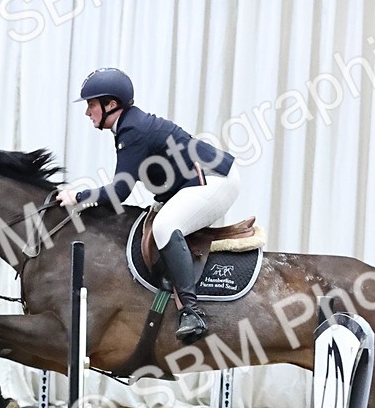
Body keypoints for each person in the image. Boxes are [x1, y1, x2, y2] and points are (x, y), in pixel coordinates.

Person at [56, 68, 240, 343]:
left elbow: (119, 191)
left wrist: (78, 197)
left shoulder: (133, 131)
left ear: (111, 105)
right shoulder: (128, 127)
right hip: (195, 181)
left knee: (166, 226)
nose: (87, 113)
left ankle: (191, 312)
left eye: (91, 105)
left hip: (216, 180)